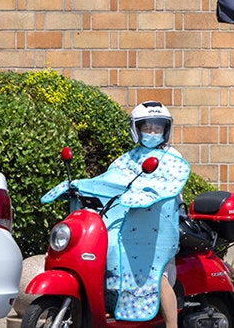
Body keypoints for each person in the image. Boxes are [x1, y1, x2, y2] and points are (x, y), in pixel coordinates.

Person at [42, 101, 190, 328]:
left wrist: (143, 195)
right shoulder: (128, 158)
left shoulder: (173, 158)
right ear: (136, 129)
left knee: (156, 275)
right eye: (147, 127)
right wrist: (78, 186)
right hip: (130, 223)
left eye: (158, 127)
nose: (152, 132)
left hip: (160, 227)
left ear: (166, 129)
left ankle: (172, 326)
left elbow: (166, 185)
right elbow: (109, 181)